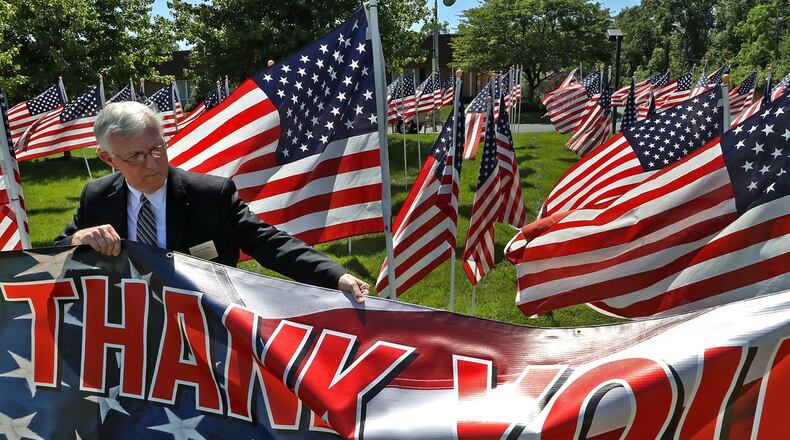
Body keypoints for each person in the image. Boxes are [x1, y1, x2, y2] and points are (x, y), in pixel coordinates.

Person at [54, 101, 369, 302]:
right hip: (131, 332)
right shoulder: (96, 197)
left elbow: (267, 242)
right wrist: (77, 240)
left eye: (156, 148)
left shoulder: (210, 195)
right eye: (136, 156)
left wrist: (333, 275)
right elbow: (51, 258)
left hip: (205, 328)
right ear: (107, 157)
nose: (152, 163)